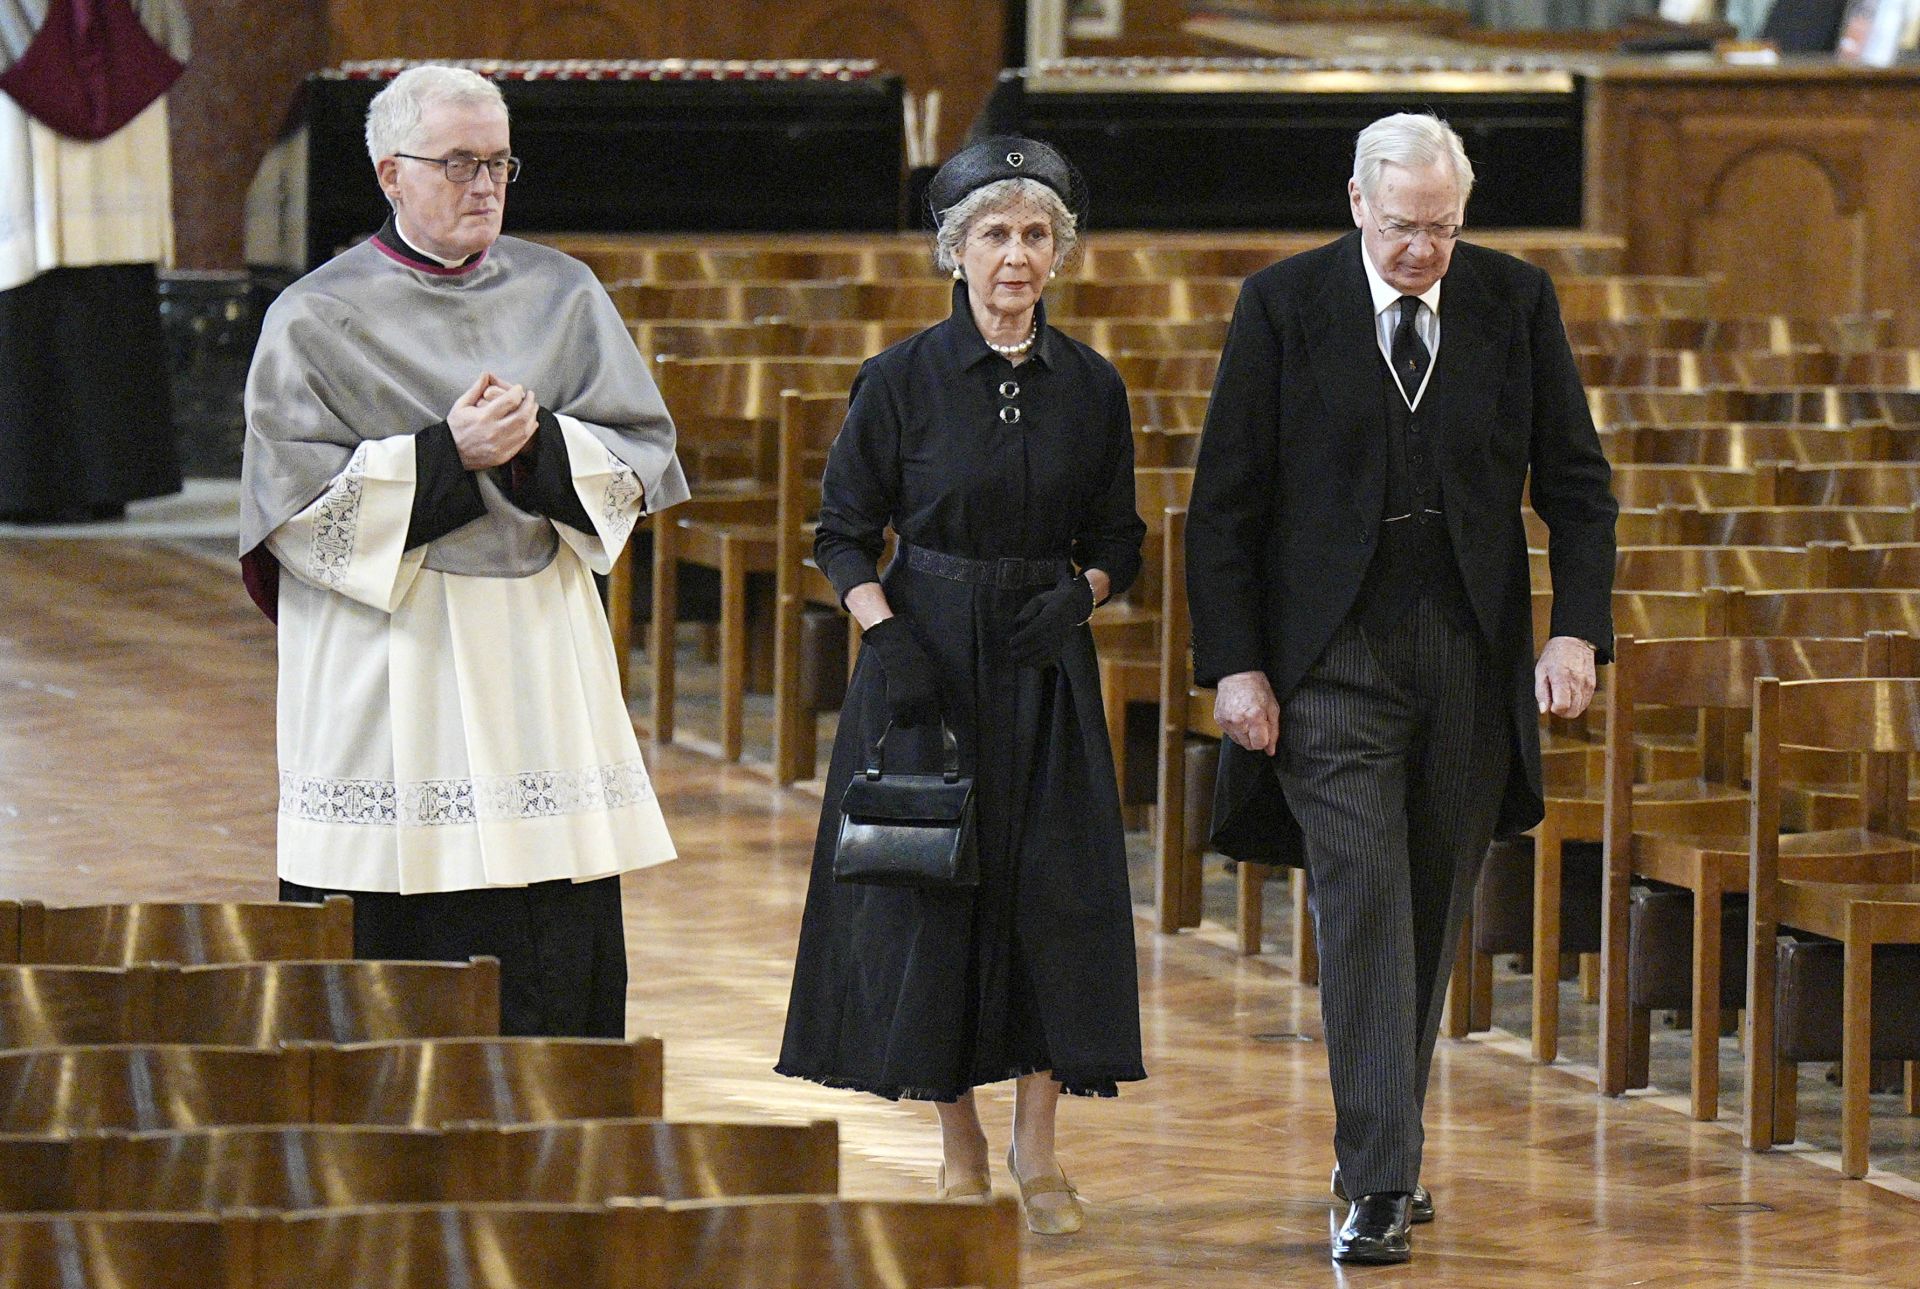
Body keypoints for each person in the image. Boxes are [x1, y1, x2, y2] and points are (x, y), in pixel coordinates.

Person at [1185, 113, 1616, 1265]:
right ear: (1357, 204)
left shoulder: (1516, 302)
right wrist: (1235, 663)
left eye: (1443, 228)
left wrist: (1577, 630)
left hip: (1470, 660)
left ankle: (1390, 1141)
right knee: (1366, 907)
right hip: (1332, 661)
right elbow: (1224, 500)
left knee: (1429, 913)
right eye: (1403, 226)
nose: (1423, 250)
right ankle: (1375, 1178)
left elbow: (1577, 484)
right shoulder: (1283, 305)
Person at [238, 64, 688, 1037]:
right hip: (397, 662)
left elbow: (642, 456)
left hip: (532, 653)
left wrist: (541, 449)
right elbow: (294, 515)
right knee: (393, 954)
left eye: (498, 163)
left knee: (547, 922)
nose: (484, 184)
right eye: (458, 163)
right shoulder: (315, 316)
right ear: (390, 172)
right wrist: (449, 455)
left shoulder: (564, 295)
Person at [778, 136, 1146, 1236]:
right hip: (925, 661)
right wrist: (885, 636)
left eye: (1037, 235)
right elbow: (841, 534)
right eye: (995, 234)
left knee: (1053, 900)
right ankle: (960, 1143)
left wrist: (1080, 592)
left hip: (1043, 664)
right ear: (957, 250)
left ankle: (1041, 1150)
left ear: (1059, 252)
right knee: (936, 897)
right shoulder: (900, 379)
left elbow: (1120, 535)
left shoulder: (1092, 385)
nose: (1017, 256)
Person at [0, 0, 188, 523]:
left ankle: (26, 484)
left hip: (21, 101)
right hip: (119, 115)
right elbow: (167, 35)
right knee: (105, 290)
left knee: (36, 284)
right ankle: (109, 479)